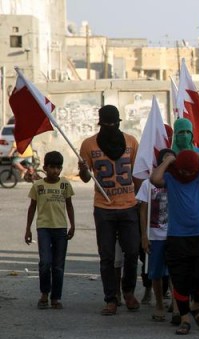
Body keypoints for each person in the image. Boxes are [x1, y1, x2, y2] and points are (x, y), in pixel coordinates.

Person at [150, 141, 199, 335]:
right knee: (180, 279)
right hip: (177, 237)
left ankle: (196, 305)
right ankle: (184, 318)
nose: (185, 174)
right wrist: (168, 161)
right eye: (182, 171)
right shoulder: (170, 177)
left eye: (188, 171)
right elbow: (154, 178)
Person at [78, 105, 141, 315]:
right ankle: (111, 298)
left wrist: (140, 200)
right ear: (100, 123)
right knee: (106, 255)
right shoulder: (88, 145)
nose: (111, 127)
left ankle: (129, 291)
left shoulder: (131, 142)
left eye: (114, 123)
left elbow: (137, 174)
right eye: (107, 124)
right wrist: (83, 170)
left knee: (132, 251)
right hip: (103, 207)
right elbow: (86, 178)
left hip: (129, 205)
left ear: (119, 122)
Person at [25, 151, 75, 310]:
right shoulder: (38, 186)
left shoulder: (65, 184)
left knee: (58, 266)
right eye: (52, 167)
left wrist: (73, 225)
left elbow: (69, 205)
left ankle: (56, 297)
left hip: (60, 229)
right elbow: (32, 207)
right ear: (45, 167)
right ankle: (44, 294)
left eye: (58, 168)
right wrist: (28, 229)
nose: (55, 171)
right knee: (45, 262)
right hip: (44, 229)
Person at [136, 150, 171, 322]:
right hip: (155, 235)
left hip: (173, 235)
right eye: (165, 160)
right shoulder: (147, 185)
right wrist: (144, 235)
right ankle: (158, 303)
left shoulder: (176, 182)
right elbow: (142, 211)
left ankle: (177, 304)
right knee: (156, 273)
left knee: (175, 271)